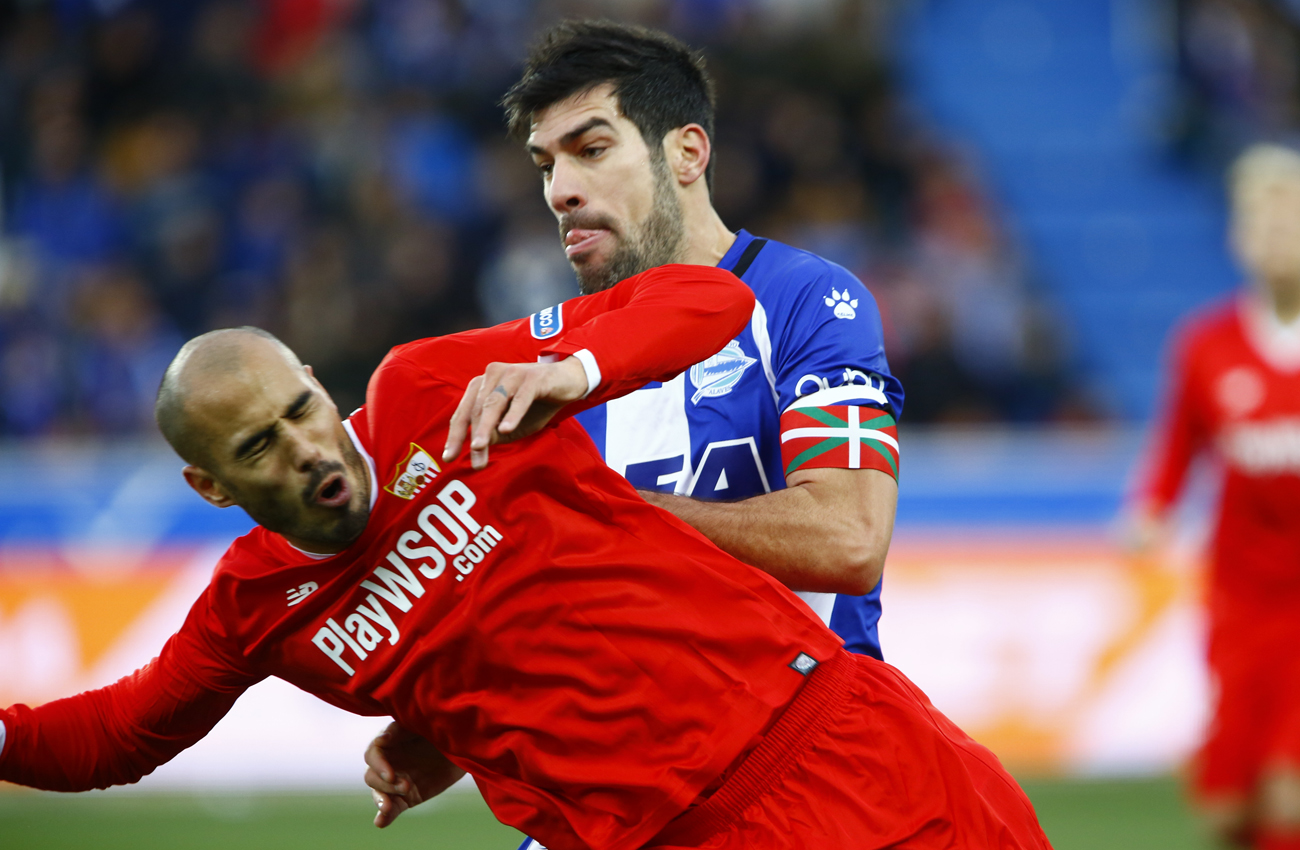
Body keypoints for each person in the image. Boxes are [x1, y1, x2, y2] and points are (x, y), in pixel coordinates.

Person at [0, 267, 1049, 849]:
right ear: (212, 488)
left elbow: (707, 302)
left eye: (302, 409)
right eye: (260, 446)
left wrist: (579, 367)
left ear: (322, 383)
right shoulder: (254, 609)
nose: (311, 447)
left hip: (838, 743)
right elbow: (112, 736)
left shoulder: (433, 392)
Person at [370, 23, 904, 833]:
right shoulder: (545, 357)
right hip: (623, 789)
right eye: (547, 165)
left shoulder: (808, 301)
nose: (559, 192)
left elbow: (848, 537)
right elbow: (555, 598)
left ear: (686, 153)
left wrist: (609, 520)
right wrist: (445, 732)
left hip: (807, 777)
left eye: (591, 149)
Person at [1131, 143, 1300, 850]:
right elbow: (1179, 449)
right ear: (1236, 237)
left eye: (1287, 221)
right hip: (1240, 597)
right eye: (1259, 223)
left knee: (1288, 790)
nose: (1274, 238)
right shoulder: (1208, 345)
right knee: (1228, 807)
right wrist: (1151, 511)